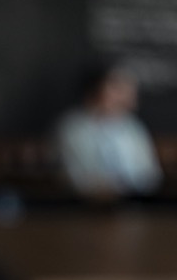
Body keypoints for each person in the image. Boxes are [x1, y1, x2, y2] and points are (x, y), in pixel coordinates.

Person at [55, 63, 162, 200]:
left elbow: (151, 175)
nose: (125, 97)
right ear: (95, 90)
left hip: (137, 202)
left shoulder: (133, 128)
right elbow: (79, 180)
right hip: (83, 208)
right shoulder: (72, 129)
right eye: (117, 89)